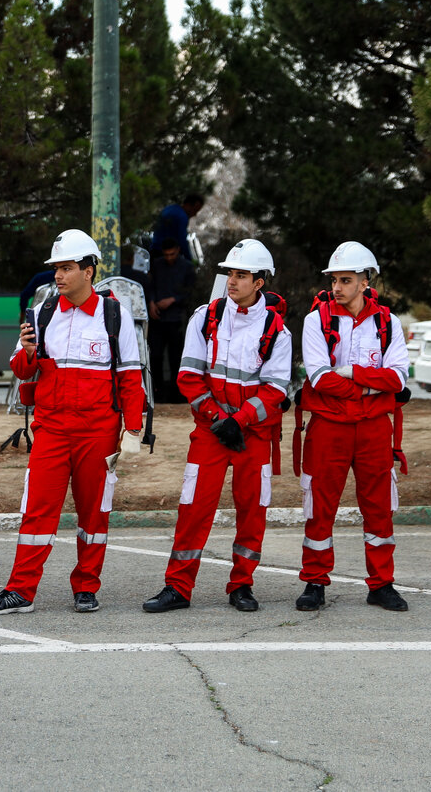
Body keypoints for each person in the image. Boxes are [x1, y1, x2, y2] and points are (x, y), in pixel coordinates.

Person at [0, 229, 146, 615]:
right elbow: (21, 370)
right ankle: (20, 591)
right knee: (36, 511)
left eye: (67, 268)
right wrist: (29, 351)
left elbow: (130, 378)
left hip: (98, 432)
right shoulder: (40, 313)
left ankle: (86, 587)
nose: (58, 275)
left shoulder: (114, 315)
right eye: (56, 268)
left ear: (89, 271)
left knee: (93, 515)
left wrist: (133, 429)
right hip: (51, 430)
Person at [143, 239, 292, 613]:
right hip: (210, 434)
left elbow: (276, 391)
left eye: (241, 275)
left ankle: (242, 585)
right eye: (230, 273)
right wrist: (217, 418)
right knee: (193, 508)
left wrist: (238, 421)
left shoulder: (278, 330)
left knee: (252, 511)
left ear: (260, 282)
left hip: (253, 436)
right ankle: (177, 587)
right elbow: (189, 377)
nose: (232, 281)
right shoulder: (205, 317)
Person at [294, 241, 410, 612]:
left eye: (346, 280)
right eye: (334, 280)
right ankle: (314, 582)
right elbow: (319, 378)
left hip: (375, 429)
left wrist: (353, 374)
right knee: (320, 505)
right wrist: (369, 387)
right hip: (328, 427)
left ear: (365, 281)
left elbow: (399, 378)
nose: (337, 287)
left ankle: (381, 583)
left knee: (379, 507)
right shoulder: (316, 320)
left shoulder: (388, 322)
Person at [148, 237, 197, 403]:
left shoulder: (187, 268)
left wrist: (173, 300)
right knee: (155, 356)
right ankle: (158, 393)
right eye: (166, 254)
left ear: (178, 251)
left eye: (172, 254)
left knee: (176, 358)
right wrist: (152, 303)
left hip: (177, 318)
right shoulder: (157, 265)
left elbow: (191, 292)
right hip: (158, 319)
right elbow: (151, 286)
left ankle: (177, 395)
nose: (169, 257)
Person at [153, 194, 205, 261]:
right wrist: (189, 260)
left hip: (155, 248)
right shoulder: (182, 217)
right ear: (188, 205)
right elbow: (182, 241)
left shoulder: (170, 208)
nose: (195, 214)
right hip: (166, 253)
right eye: (195, 210)